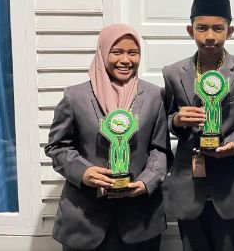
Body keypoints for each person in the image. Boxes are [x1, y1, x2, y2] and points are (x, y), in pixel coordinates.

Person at [45, 24, 170, 251]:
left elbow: (160, 149)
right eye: (117, 52)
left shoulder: (155, 96)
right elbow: (57, 147)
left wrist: (147, 181)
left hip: (140, 219)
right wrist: (84, 173)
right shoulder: (75, 97)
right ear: (102, 52)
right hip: (85, 219)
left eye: (133, 53)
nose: (126, 60)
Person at [163, 0, 234, 251]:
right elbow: (164, 121)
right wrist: (177, 120)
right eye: (202, 28)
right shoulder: (173, 73)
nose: (210, 36)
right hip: (188, 182)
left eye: (218, 28)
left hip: (231, 182)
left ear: (230, 31)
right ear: (190, 31)